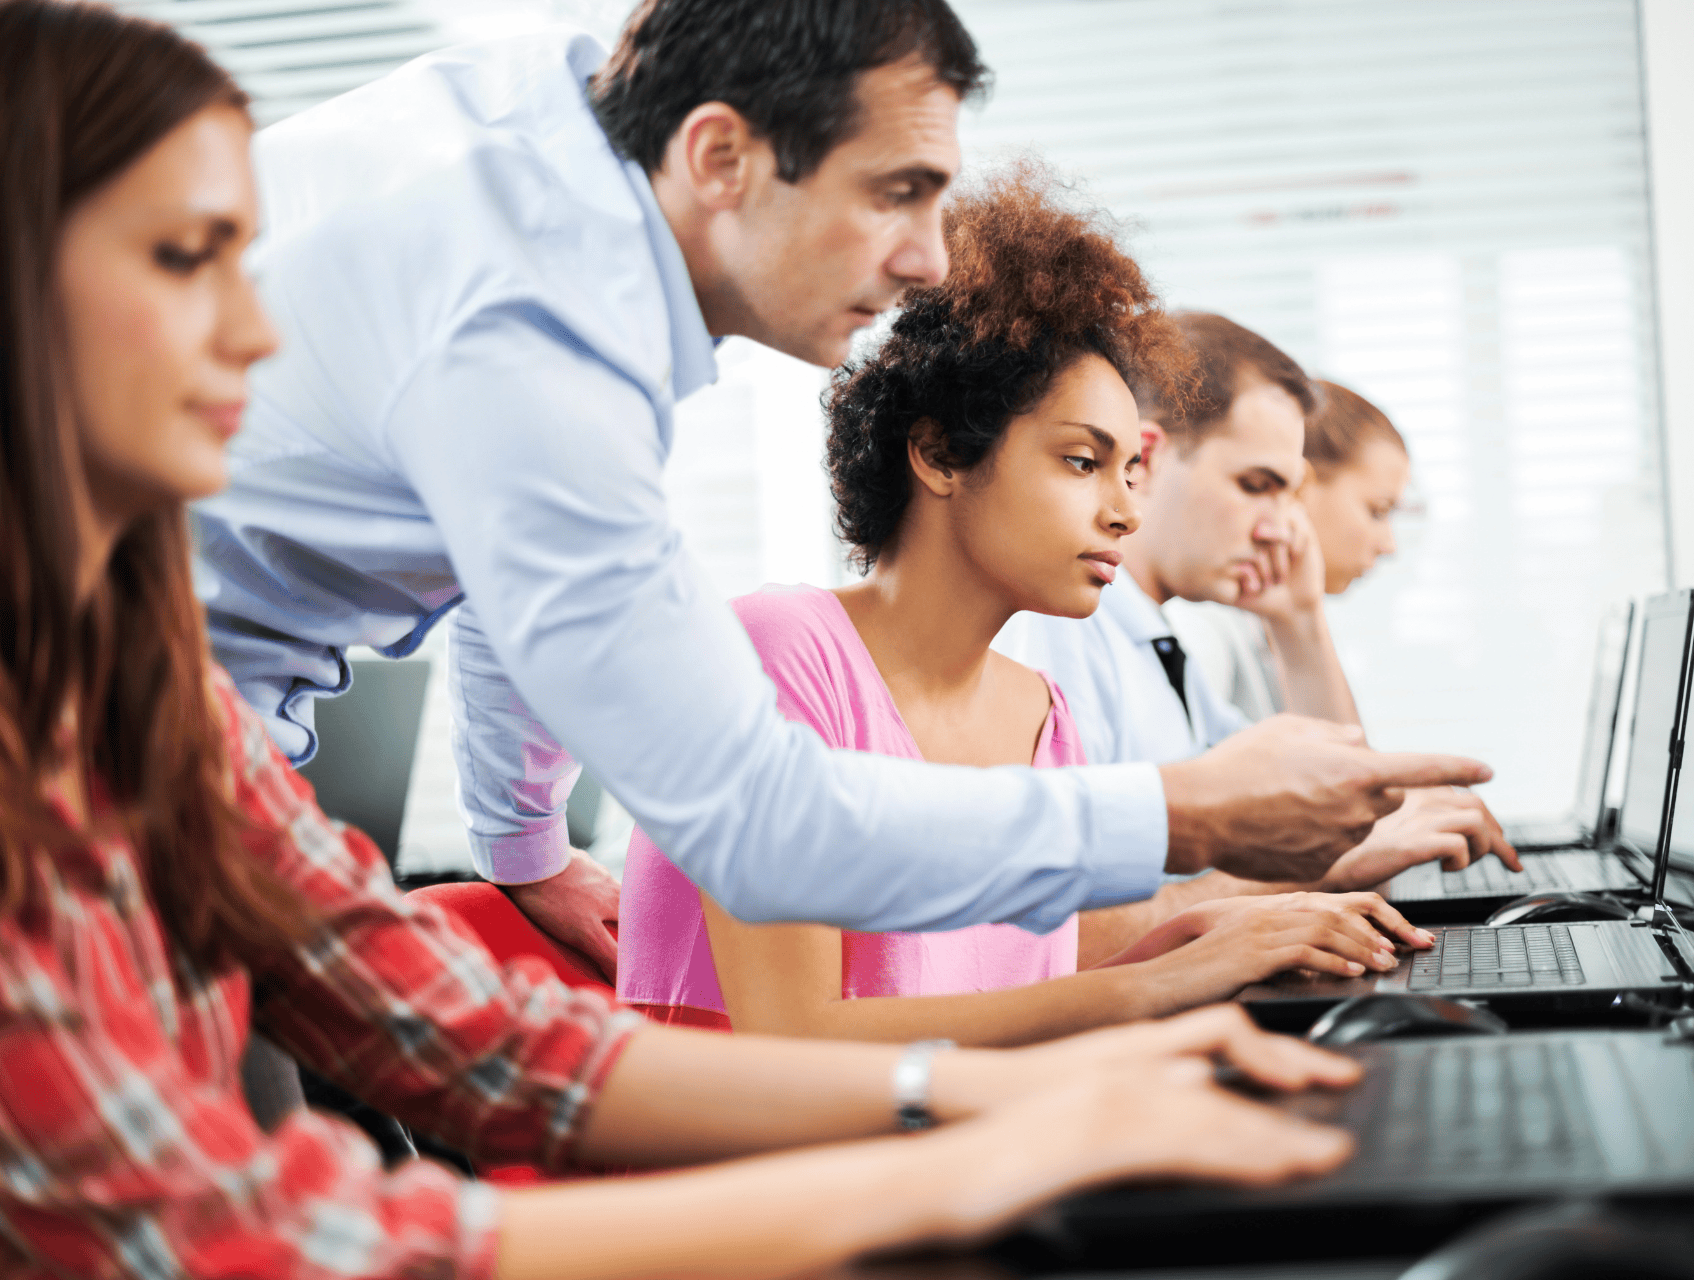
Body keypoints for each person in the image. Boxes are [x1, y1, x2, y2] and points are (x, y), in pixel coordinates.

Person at [0, 5, 1371, 1274]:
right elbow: (267, 1236)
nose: (258, 330)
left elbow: (496, 1048)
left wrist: (993, 1091)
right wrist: (999, 1118)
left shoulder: (173, 712)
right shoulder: (516, 315)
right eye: (189, 261)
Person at [188, 0, 1493, 977]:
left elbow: (499, 545)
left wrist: (523, 843)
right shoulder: (530, 325)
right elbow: (758, 824)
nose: (928, 261)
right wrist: (1190, 811)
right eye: (896, 196)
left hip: (195, 739)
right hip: (104, 747)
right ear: (722, 159)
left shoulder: (584, 124)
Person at [620, 169, 1433, 1040]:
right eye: (1083, 462)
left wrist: (1211, 934)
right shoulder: (780, 654)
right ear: (937, 452)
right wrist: (1170, 978)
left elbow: (990, 999)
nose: (1124, 511)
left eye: (1130, 472)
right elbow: (795, 1046)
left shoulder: (1039, 714)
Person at [997, 319, 1515, 938]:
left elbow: (1328, 803)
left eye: (1288, 493)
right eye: (1256, 485)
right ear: (1150, 460)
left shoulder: (1161, 645)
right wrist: (1328, 867)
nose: (1280, 528)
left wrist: (1299, 623)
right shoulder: (1060, 633)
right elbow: (1056, 941)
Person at [1166, 378, 1410, 725]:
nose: (1389, 545)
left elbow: (1345, 766)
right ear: (1300, 488)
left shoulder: (1286, 624)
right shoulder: (1204, 624)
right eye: (1377, 511)